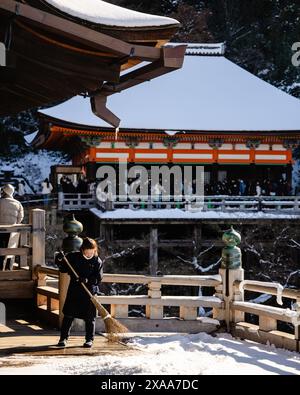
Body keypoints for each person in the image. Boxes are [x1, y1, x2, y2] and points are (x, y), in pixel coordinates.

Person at [56, 238, 103, 348]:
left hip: (89, 292)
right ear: (82, 250)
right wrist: (59, 259)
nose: (89, 253)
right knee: (68, 315)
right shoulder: (74, 257)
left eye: (91, 251)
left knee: (90, 318)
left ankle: (89, 339)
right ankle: (63, 338)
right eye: (87, 251)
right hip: (75, 290)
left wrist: (87, 280)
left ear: (94, 250)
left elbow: (98, 278)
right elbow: (63, 268)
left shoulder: (97, 261)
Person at [0, 184, 24, 270]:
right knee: (10, 251)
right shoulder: (18, 203)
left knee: (1, 251)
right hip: (12, 231)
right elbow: (20, 218)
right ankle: (8, 270)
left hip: (0, 231)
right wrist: (14, 224)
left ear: (4, 192)